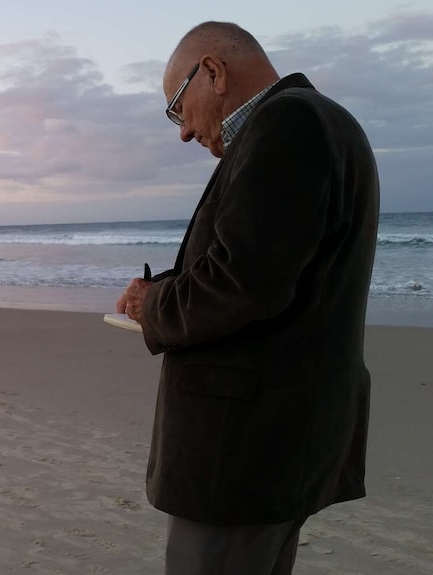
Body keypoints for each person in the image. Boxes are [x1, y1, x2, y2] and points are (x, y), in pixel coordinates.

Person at [115, 21, 379, 575]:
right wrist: (160, 286)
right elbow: (265, 257)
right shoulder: (319, 120)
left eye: (177, 109)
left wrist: (153, 308)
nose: (184, 132)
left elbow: (242, 285)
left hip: (242, 452)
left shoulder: (288, 123)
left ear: (212, 72)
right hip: (276, 440)